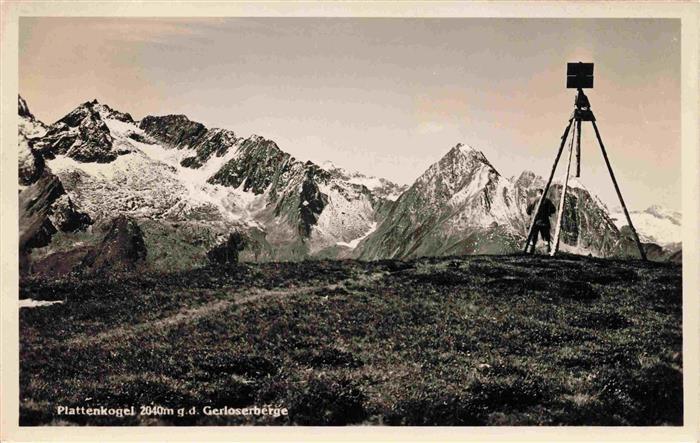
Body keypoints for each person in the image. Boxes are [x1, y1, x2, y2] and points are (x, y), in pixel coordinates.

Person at [526, 188, 556, 254]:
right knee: (546, 239)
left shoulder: (533, 200)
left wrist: (532, 213)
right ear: (543, 193)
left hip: (534, 222)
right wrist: (548, 213)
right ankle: (547, 253)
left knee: (533, 239)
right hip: (544, 222)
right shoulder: (547, 201)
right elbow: (553, 210)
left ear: (537, 193)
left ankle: (530, 253)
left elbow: (528, 211)